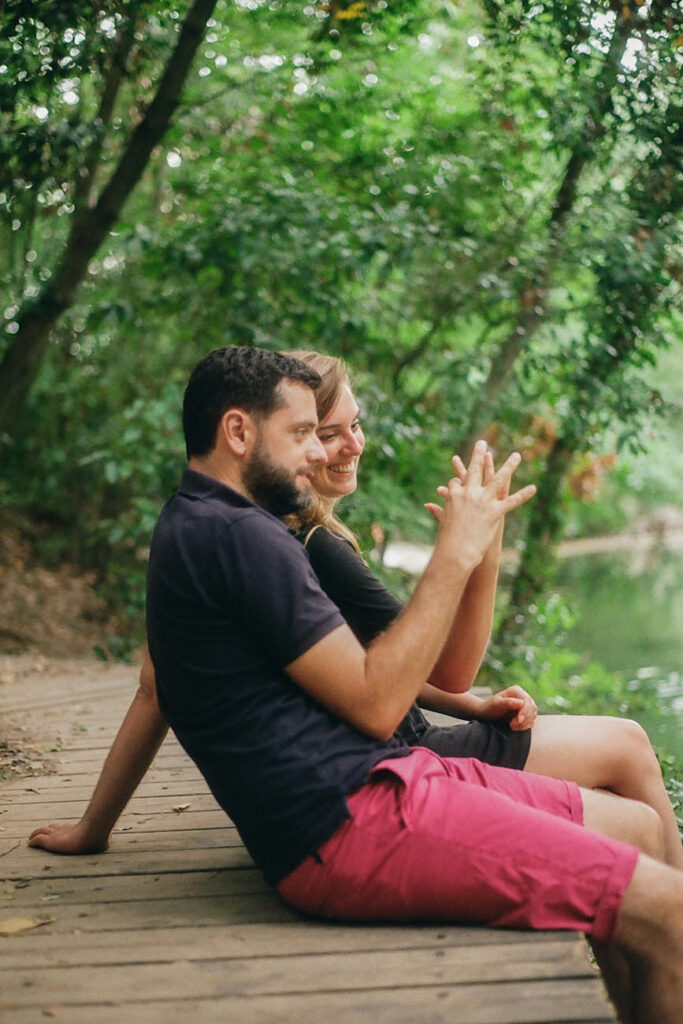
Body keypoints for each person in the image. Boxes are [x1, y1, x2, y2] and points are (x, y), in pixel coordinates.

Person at [33, 347, 683, 1023]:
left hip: (383, 782)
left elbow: (339, 679)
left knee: (638, 829)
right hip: (348, 827)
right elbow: (376, 704)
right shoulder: (242, 538)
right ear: (238, 432)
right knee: (666, 907)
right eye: (302, 434)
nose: (318, 453)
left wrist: (93, 829)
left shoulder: (200, 522)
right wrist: (457, 552)